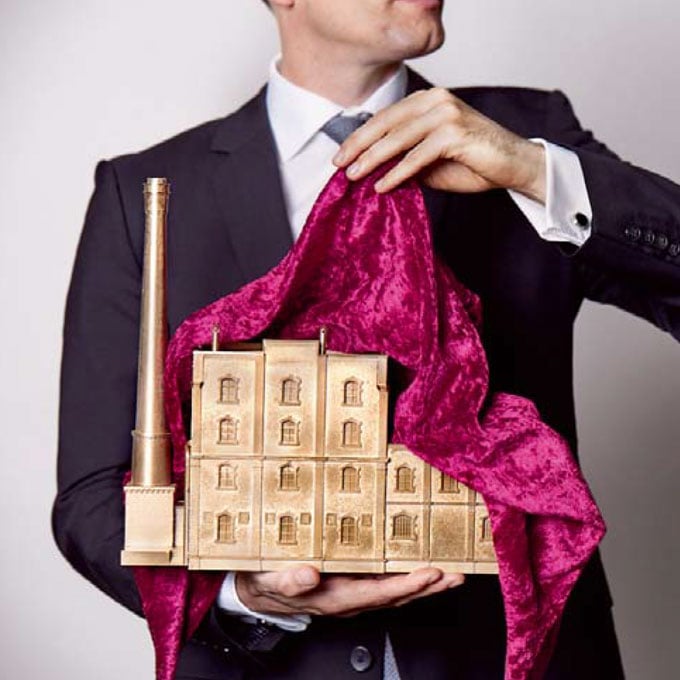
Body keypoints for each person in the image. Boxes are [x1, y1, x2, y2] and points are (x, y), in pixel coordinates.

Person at [52, 1, 680, 678]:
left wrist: (534, 174)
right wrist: (241, 593)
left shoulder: (530, 135)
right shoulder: (145, 189)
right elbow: (92, 494)